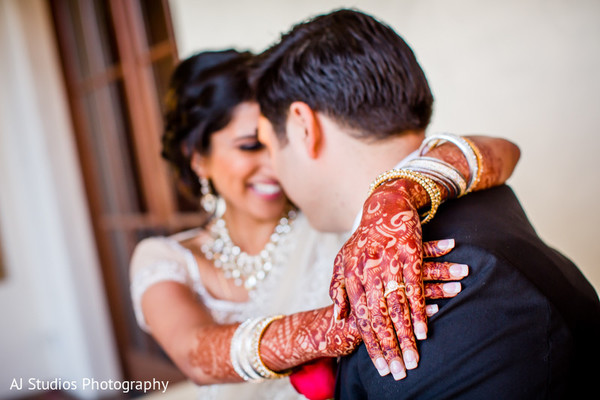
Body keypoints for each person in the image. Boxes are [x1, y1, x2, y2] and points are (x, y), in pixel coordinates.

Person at [129, 50, 520, 399]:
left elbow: (504, 150)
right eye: (250, 145)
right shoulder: (165, 258)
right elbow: (198, 354)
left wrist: (396, 195)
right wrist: (346, 321)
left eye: (275, 141)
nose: (272, 165)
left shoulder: (332, 219)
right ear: (196, 156)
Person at [251, 8, 600, 399]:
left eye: (264, 144)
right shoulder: (484, 202)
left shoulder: (438, 291)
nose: (270, 173)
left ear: (302, 126)